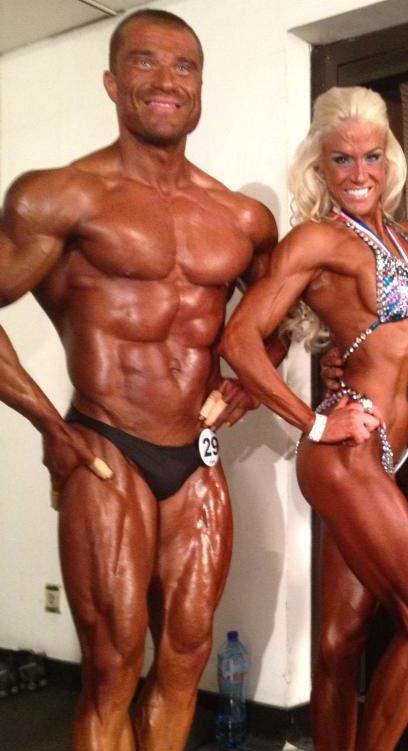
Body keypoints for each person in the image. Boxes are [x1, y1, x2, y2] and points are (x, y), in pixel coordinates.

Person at [0, 9, 278, 750]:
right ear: (111, 82)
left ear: (201, 87)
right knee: (112, 669)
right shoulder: (59, 196)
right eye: (145, 62)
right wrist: (48, 424)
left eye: (184, 66)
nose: (166, 80)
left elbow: (273, 317)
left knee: (186, 661)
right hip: (105, 443)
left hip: (197, 457)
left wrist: (248, 382)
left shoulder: (242, 217)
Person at [218, 86, 408, 751]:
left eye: (371, 156)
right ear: (319, 166)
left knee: (340, 640)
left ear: (389, 159)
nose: (358, 172)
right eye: (341, 159)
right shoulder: (318, 241)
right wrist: (314, 424)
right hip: (345, 454)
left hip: (385, 455)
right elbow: (239, 339)